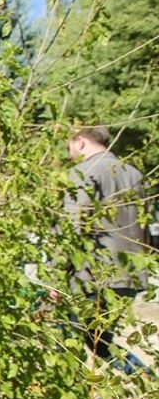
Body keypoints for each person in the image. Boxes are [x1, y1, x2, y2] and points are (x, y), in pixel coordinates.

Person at [66, 126, 149, 373]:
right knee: (100, 342)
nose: (70, 154)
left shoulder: (83, 173)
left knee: (74, 334)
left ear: (80, 142)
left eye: (69, 147)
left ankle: (149, 381)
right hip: (130, 274)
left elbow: (73, 226)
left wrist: (56, 270)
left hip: (93, 276)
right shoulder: (134, 174)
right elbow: (143, 225)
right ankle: (148, 380)